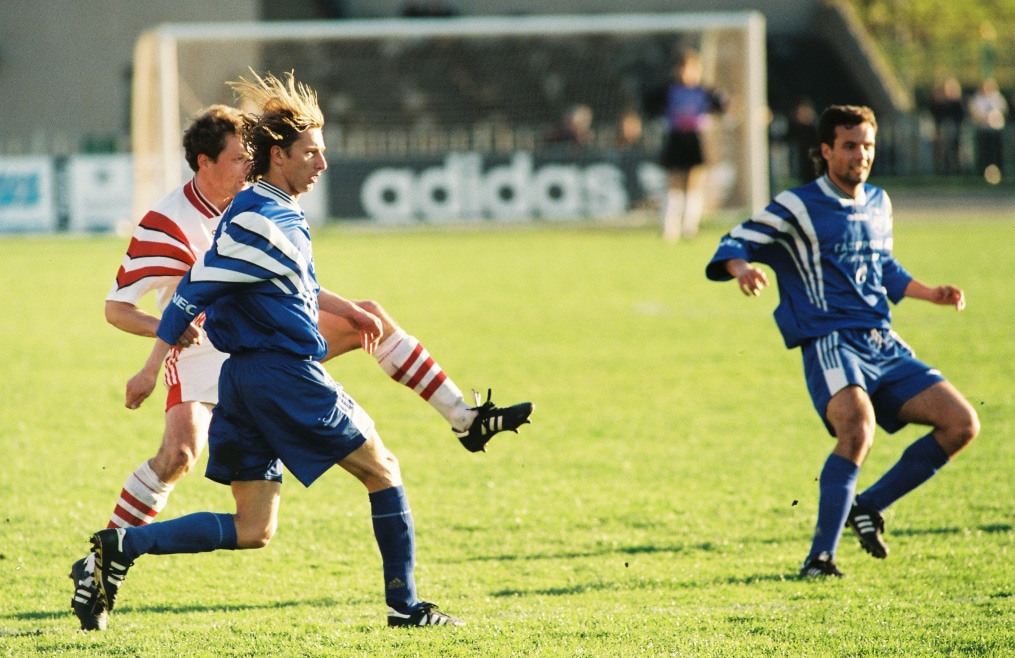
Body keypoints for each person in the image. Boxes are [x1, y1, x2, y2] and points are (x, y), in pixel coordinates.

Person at [71, 100, 532, 630]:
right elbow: (172, 299)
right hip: (269, 368)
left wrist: (345, 308)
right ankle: (406, 607)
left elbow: (239, 283)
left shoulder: (249, 209)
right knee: (380, 469)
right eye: (312, 152)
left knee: (253, 528)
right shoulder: (245, 219)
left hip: (241, 372)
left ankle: (124, 544)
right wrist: (154, 363)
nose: (322, 164)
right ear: (277, 156)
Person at [705, 105, 979, 578]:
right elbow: (735, 240)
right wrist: (744, 269)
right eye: (850, 146)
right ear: (827, 150)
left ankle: (868, 505)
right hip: (830, 339)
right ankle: (820, 559)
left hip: (881, 340)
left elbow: (882, 267)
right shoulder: (797, 204)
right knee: (857, 428)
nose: (861, 155)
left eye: (868, 145)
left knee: (961, 423)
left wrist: (929, 293)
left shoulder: (879, 202)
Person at [659, 48, 727, 242]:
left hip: (696, 138)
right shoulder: (669, 90)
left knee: (694, 182)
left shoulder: (704, 91)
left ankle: (690, 226)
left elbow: (723, 105)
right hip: (676, 137)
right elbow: (652, 104)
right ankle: (670, 227)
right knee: (674, 182)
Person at [968, 78, 1008, 179]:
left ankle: (999, 171)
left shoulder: (997, 97)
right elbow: (975, 113)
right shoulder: (977, 98)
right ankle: (984, 172)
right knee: (985, 153)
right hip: (984, 130)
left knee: (997, 153)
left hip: (996, 130)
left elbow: (1003, 110)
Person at [929, 77, 965, 176]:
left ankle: (957, 170)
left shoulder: (957, 103)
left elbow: (960, 115)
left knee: (955, 151)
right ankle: (943, 170)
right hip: (942, 133)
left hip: (955, 132)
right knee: (942, 152)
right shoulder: (938, 104)